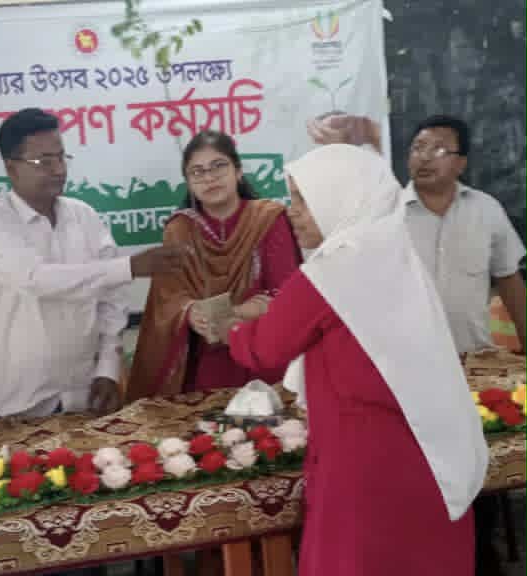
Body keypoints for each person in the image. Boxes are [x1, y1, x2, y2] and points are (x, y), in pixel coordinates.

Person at [219, 144, 488, 575]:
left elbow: (265, 348)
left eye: (304, 199)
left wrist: (227, 329)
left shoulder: (333, 270)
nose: (292, 212)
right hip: (422, 447)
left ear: (339, 198)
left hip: (363, 458)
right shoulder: (395, 257)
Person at [0, 108, 189, 420]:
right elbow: (38, 280)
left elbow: (112, 298)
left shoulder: (83, 215)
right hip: (19, 401)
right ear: (11, 168)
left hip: (84, 394)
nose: (59, 169)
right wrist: (129, 267)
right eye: (44, 161)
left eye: (61, 157)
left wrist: (108, 368)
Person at [403, 115, 527, 576]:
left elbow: (509, 281)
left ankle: (480, 556)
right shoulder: (388, 216)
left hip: (474, 367)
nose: (423, 157)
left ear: (461, 162)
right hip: (410, 370)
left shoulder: (486, 211)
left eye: (437, 149)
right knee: (422, 475)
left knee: (479, 469)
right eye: (417, 147)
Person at [126, 130, 300, 400]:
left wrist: (236, 314)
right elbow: (168, 299)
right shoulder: (180, 229)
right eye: (197, 172)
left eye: (218, 166)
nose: (209, 178)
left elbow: (287, 294)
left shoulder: (268, 219)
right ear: (189, 182)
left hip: (263, 354)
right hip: (206, 364)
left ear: (238, 171)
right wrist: (191, 313)